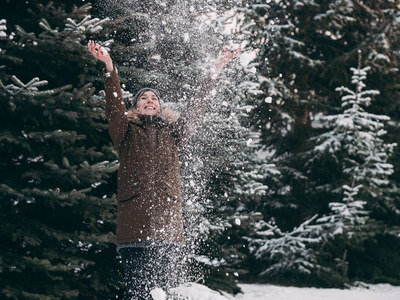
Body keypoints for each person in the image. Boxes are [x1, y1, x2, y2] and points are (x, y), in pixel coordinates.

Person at [88, 40, 239, 299]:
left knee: (165, 293)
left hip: (168, 230)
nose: (149, 101)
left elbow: (195, 111)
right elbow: (114, 109)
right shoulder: (125, 133)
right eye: (143, 98)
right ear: (135, 106)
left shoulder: (173, 133)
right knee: (140, 294)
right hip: (133, 230)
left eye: (154, 98)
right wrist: (109, 67)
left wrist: (216, 70)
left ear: (160, 106)